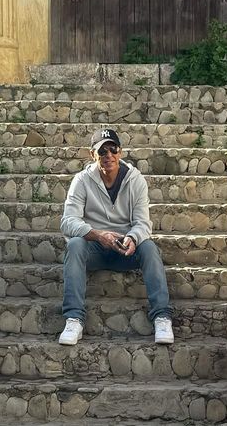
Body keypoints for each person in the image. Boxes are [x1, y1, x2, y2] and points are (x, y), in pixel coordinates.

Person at [58, 128, 173, 346]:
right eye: (102, 151)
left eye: (113, 149)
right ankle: (73, 318)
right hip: (94, 248)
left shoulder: (135, 180)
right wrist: (97, 234)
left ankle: (162, 316)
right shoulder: (82, 180)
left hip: (125, 249)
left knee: (149, 248)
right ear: (93, 155)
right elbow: (68, 221)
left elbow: (143, 223)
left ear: (120, 152)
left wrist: (133, 238)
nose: (108, 155)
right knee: (74, 245)